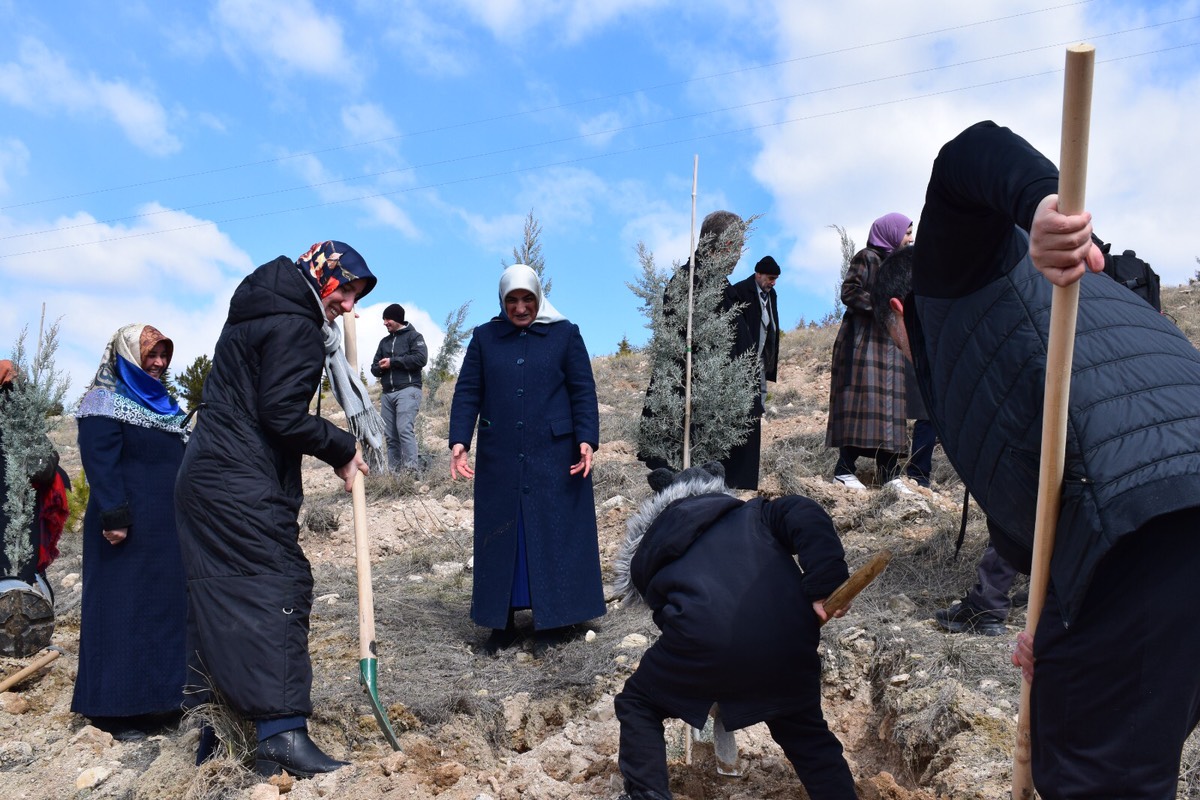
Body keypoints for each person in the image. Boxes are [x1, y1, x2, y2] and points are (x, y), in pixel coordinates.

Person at [872, 120, 1200, 798]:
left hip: (1144, 526)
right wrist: (1046, 625)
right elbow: (1030, 516)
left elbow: (968, 154)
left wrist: (1044, 205)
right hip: (1149, 519)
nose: (905, 359)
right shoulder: (1094, 305)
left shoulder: (956, 278)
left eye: (894, 343)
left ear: (900, 310)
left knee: (1092, 773)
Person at [175, 240, 375, 778]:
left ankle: (215, 732)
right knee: (278, 584)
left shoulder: (261, 311)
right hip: (239, 481)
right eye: (348, 291)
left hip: (207, 477)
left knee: (220, 595)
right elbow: (281, 413)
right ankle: (282, 736)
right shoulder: (295, 325)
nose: (349, 306)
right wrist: (341, 446)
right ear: (325, 277)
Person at [612, 462, 855, 800]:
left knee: (639, 702)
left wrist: (710, 683)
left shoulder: (652, 556)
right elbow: (804, 510)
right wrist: (824, 583)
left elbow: (669, 619)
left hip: (702, 640)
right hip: (788, 638)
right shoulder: (756, 515)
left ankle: (647, 794)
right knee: (808, 737)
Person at [449, 264, 605, 655]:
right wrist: (459, 441)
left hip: (556, 455)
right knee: (502, 535)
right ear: (502, 302)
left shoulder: (565, 334)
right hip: (500, 455)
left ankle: (555, 620)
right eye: (512, 300)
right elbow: (468, 391)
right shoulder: (485, 338)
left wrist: (587, 440)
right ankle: (499, 625)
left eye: (527, 299)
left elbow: (582, 391)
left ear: (538, 297)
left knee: (553, 533)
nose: (520, 308)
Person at [69, 324, 189, 740]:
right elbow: (101, 463)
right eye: (150, 355)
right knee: (122, 610)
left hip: (165, 530)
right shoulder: (103, 401)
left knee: (161, 610)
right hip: (123, 528)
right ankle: (113, 711)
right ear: (127, 356)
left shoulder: (166, 406)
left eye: (163, 356)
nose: (157, 363)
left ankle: (159, 702)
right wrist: (115, 516)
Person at [638, 210, 761, 489]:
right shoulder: (690, 282)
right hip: (701, 415)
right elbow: (686, 354)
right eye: (739, 246)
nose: (740, 254)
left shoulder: (718, 283)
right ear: (726, 244)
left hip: (725, 410)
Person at [826, 213, 914, 492]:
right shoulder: (868, 257)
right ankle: (844, 470)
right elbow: (849, 291)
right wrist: (880, 306)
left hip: (890, 346)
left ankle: (889, 473)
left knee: (891, 409)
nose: (910, 238)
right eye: (907, 232)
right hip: (863, 346)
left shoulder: (898, 265)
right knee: (861, 404)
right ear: (891, 232)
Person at [0, 359, 68, 658]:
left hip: (21, 513)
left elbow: (40, 467)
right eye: (14, 381)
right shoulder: (16, 419)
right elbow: (41, 467)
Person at [370, 303, 427, 472]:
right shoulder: (384, 342)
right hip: (387, 393)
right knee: (390, 436)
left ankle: (411, 471)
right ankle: (395, 475)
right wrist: (381, 367)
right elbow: (374, 368)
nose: (385, 323)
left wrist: (393, 362)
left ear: (397, 319)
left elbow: (420, 359)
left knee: (404, 430)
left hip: (408, 390)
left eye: (387, 319)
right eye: (384, 319)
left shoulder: (414, 337)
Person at [730, 255, 781, 410]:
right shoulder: (740, 290)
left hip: (763, 356)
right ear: (758, 274)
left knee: (761, 395)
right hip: (743, 357)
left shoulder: (771, 294)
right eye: (771, 278)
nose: (773, 282)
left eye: (776, 279)